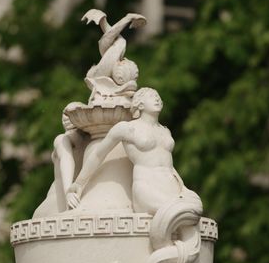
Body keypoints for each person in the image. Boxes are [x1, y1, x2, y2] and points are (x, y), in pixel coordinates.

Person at [66, 87, 200, 213]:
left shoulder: (165, 131)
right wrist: (78, 183)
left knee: (195, 207)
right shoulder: (127, 128)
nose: (157, 99)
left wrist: (183, 187)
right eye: (152, 96)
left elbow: (168, 165)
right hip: (147, 186)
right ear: (140, 105)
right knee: (178, 211)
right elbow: (98, 154)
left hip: (172, 187)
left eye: (158, 97)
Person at [33, 102, 88, 217]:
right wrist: (69, 191)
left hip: (59, 202)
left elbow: (66, 158)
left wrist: (69, 191)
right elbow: (66, 158)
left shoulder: (62, 139)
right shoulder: (86, 142)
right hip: (64, 201)